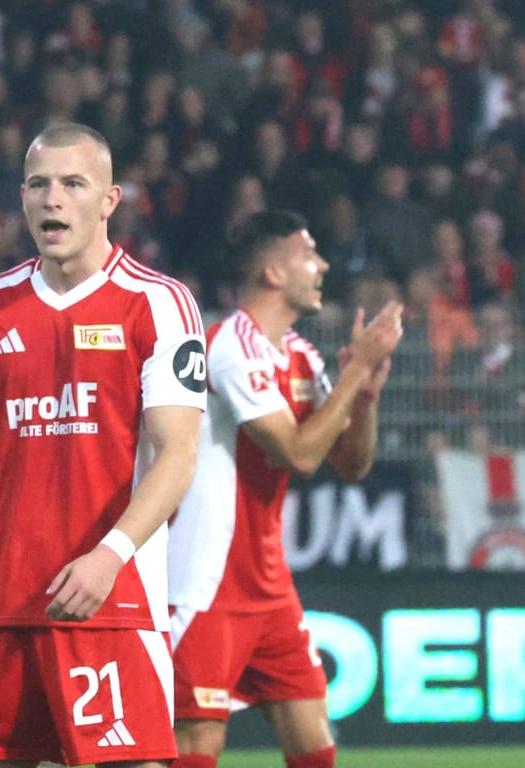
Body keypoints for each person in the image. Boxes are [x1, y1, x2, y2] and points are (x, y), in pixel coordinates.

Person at [0, 122, 208, 768]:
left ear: (109, 200)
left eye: (73, 184)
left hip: (111, 605)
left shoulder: (158, 304)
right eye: (39, 185)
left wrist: (109, 556)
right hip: (3, 607)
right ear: (22, 197)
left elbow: (179, 453)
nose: (53, 199)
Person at [166, 210, 403, 768]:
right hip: (204, 583)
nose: (321, 265)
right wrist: (353, 371)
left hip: (268, 589)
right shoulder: (226, 347)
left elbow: (350, 464)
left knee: (316, 749)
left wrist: (363, 394)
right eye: (308, 253)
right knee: (196, 751)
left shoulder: (300, 354)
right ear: (273, 272)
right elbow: (296, 453)